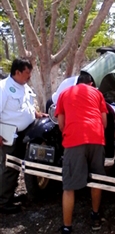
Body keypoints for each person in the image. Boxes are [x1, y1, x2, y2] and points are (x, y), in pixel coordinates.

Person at [55, 73, 108, 233]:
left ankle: (67, 227)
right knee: (97, 180)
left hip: (74, 140)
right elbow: (104, 122)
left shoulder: (64, 93)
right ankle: (95, 217)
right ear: (91, 83)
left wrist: (72, 134)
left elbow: (61, 124)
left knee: (69, 186)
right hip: (96, 138)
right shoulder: (98, 94)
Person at [0, 58, 48, 214]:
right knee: (8, 166)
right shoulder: (3, 88)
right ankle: (3, 202)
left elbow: (25, 107)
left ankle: (9, 195)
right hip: (9, 133)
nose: (29, 76)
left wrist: (37, 114)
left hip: (24, 133)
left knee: (17, 166)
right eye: (27, 73)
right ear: (17, 72)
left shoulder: (24, 86)